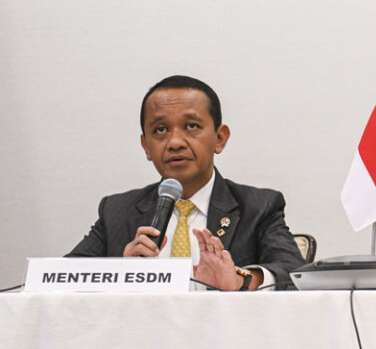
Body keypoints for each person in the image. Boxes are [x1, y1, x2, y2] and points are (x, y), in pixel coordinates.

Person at [68, 75, 305, 290]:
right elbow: (61, 278)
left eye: (191, 126)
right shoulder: (117, 212)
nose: (175, 142)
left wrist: (240, 280)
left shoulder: (259, 207)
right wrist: (120, 274)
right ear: (146, 146)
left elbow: (295, 274)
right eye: (160, 129)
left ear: (219, 138)